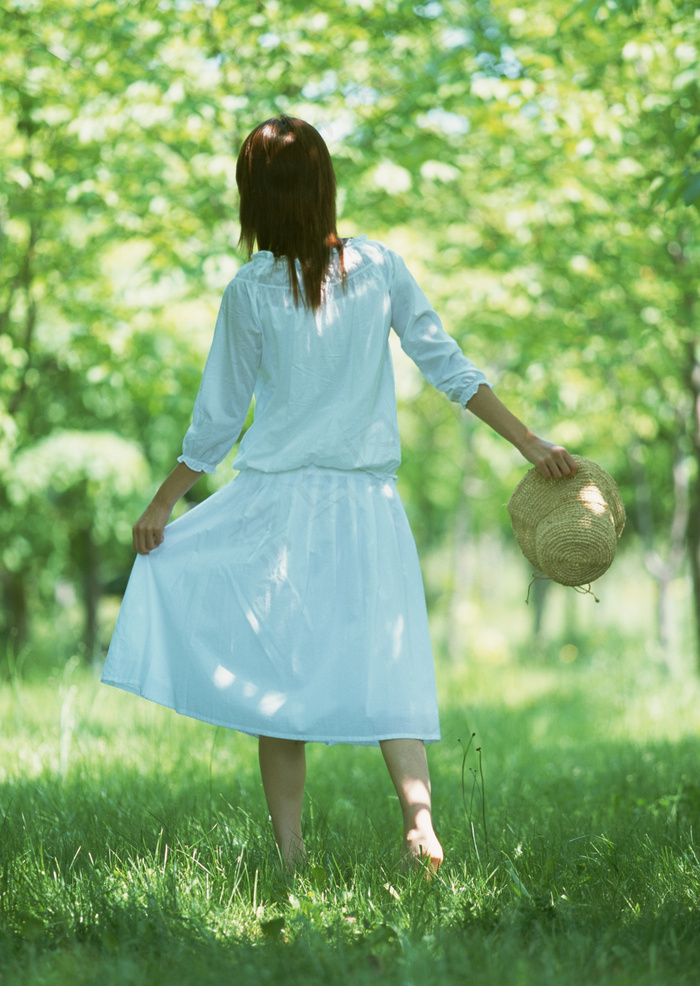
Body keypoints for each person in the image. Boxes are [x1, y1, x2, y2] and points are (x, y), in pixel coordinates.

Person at [101, 116, 577, 872]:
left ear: (252, 197)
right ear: (325, 188)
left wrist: (164, 501)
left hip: (278, 511)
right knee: (388, 662)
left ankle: (289, 855)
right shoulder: (380, 267)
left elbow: (220, 420)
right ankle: (418, 822)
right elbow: (448, 367)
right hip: (366, 508)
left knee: (276, 679)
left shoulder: (250, 288)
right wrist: (530, 441)